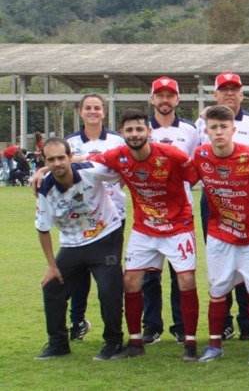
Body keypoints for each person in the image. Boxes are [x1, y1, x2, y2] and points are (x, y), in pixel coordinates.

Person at [88, 109, 201, 361]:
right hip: (144, 229)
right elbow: (86, 160)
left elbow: (195, 175)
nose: (135, 134)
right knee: (131, 282)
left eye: (139, 129)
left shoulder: (172, 155)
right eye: (129, 130)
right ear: (122, 133)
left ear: (149, 132)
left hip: (177, 227)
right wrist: (43, 170)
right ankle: (136, 343)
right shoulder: (118, 156)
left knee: (186, 281)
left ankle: (190, 346)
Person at [188, 105, 249, 364]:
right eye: (214, 127)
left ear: (233, 129)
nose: (219, 132)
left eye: (224, 127)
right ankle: (214, 345)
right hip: (219, 235)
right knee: (217, 289)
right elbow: (181, 179)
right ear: (206, 131)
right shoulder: (200, 156)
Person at [34, 137, 125, 361]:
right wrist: (52, 267)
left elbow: (122, 170)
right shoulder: (45, 189)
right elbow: (43, 229)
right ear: (45, 162)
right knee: (52, 287)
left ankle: (113, 342)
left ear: (70, 157)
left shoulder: (91, 171)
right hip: (72, 243)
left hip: (105, 235)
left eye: (61, 157)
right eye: (51, 159)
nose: (57, 163)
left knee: (108, 289)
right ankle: (58, 344)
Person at [141, 77, 201, 346]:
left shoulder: (190, 131)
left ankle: (180, 326)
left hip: (181, 213)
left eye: (170, 95)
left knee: (182, 273)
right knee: (149, 274)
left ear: (178, 99)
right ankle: (151, 325)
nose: (165, 100)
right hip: (148, 213)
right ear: (152, 99)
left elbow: (198, 169)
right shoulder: (140, 130)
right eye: (160, 95)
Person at [65, 94, 126, 343]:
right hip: (79, 217)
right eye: (88, 108)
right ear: (81, 112)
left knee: (110, 274)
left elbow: (122, 171)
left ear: (104, 112)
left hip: (113, 216)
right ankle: (77, 321)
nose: (93, 111)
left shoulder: (116, 140)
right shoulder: (69, 142)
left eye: (97, 108)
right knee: (79, 274)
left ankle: (114, 327)